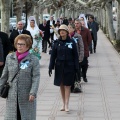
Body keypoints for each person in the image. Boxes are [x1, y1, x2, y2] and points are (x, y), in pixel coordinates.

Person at [0, 34, 40, 120]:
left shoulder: (33, 59)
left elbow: (36, 77)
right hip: (12, 94)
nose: (19, 46)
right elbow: (4, 75)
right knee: (13, 116)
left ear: (28, 46)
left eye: (22, 44)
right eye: (18, 44)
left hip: (27, 95)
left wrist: (33, 92)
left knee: (25, 116)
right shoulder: (9, 57)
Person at [49, 24, 79, 112]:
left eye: (63, 30)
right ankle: (63, 103)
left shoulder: (72, 42)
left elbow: (76, 56)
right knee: (61, 85)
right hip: (59, 66)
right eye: (60, 30)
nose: (61, 32)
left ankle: (67, 104)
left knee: (67, 85)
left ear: (66, 32)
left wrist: (77, 68)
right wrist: (50, 67)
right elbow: (53, 56)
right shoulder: (56, 43)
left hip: (69, 66)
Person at [68, 23, 84, 92]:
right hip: (68, 58)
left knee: (76, 72)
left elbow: (81, 47)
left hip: (76, 58)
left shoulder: (78, 36)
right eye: (68, 27)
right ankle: (70, 86)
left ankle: (76, 86)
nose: (68, 29)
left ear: (73, 29)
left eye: (70, 27)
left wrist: (80, 57)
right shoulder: (66, 37)